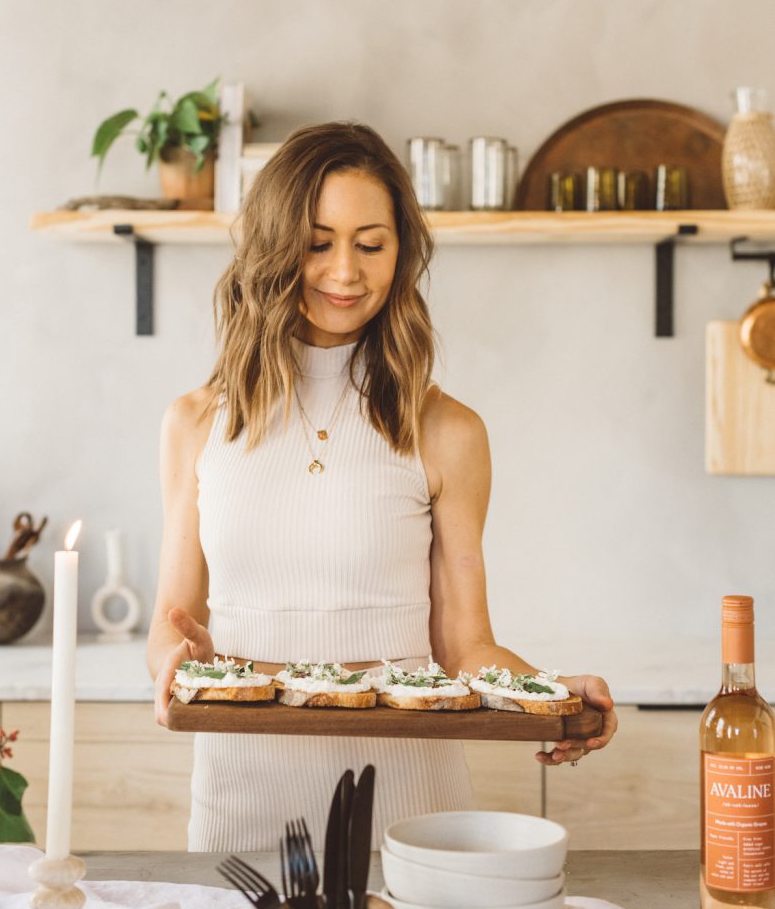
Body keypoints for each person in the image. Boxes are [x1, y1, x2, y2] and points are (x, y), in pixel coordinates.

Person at [148, 121, 617, 852]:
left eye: (371, 244)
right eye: (317, 243)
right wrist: (178, 663)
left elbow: (466, 647)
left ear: (402, 254)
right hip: (242, 798)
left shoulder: (446, 430)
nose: (345, 272)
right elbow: (166, 631)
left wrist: (555, 693)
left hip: (406, 802)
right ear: (274, 248)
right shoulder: (195, 423)